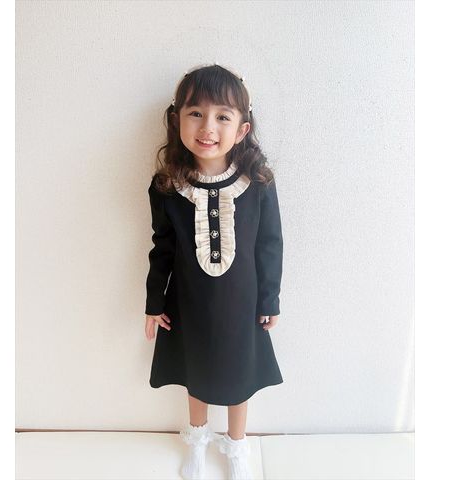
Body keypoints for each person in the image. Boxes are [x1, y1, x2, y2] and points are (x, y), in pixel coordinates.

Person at [144, 63, 284, 480]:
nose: (208, 127)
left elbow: (270, 244)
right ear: (177, 120)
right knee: (196, 371)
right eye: (196, 113)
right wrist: (154, 301)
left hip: (243, 305)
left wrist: (270, 298)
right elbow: (162, 247)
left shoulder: (258, 183)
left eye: (223, 116)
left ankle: (237, 446)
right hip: (188, 303)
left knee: (240, 376)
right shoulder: (167, 186)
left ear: (242, 129)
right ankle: (197, 442)